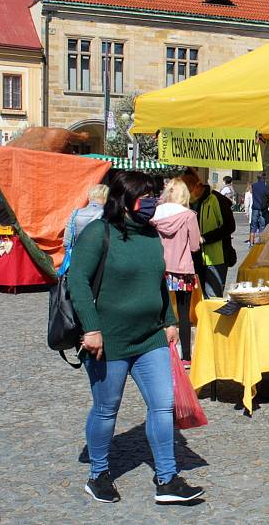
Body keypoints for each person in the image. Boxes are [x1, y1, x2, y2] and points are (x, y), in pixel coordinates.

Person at [68, 171, 203, 504]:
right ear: (123, 199)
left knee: (163, 404)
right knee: (106, 409)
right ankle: (98, 475)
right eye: (145, 195)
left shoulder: (151, 235)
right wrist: (92, 328)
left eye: (155, 194)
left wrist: (170, 320)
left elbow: (159, 282)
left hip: (150, 338)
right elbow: (78, 281)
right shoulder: (99, 233)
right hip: (108, 341)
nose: (153, 201)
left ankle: (168, 480)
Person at [150, 178, 201, 368]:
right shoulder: (188, 215)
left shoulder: (155, 214)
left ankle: (155, 354)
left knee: (157, 312)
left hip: (158, 268)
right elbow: (195, 246)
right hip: (182, 270)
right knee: (183, 313)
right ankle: (186, 355)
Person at [181, 169, 236, 299]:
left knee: (213, 298)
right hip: (194, 258)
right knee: (196, 298)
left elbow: (229, 226)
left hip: (216, 258)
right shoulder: (186, 202)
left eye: (188, 192)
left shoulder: (216, 199)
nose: (186, 196)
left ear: (197, 186)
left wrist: (204, 238)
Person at [250, 174, 269, 245]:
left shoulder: (254, 186)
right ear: (264, 178)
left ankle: (251, 242)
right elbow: (268, 197)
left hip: (255, 207)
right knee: (262, 226)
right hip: (263, 209)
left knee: (253, 225)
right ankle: (260, 242)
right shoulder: (266, 187)